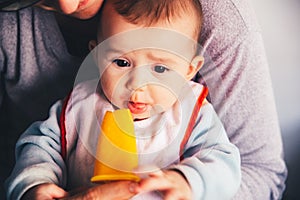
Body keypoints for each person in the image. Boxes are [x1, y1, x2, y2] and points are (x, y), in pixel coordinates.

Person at [0, 0, 287, 199]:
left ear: (190, 70)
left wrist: (189, 183)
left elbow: (226, 163)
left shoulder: (191, 113)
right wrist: (34, 184)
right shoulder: (79, 104)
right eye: (122, 63)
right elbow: (38, 146)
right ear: (96, 55)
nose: (137, 84)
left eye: (161, 69)